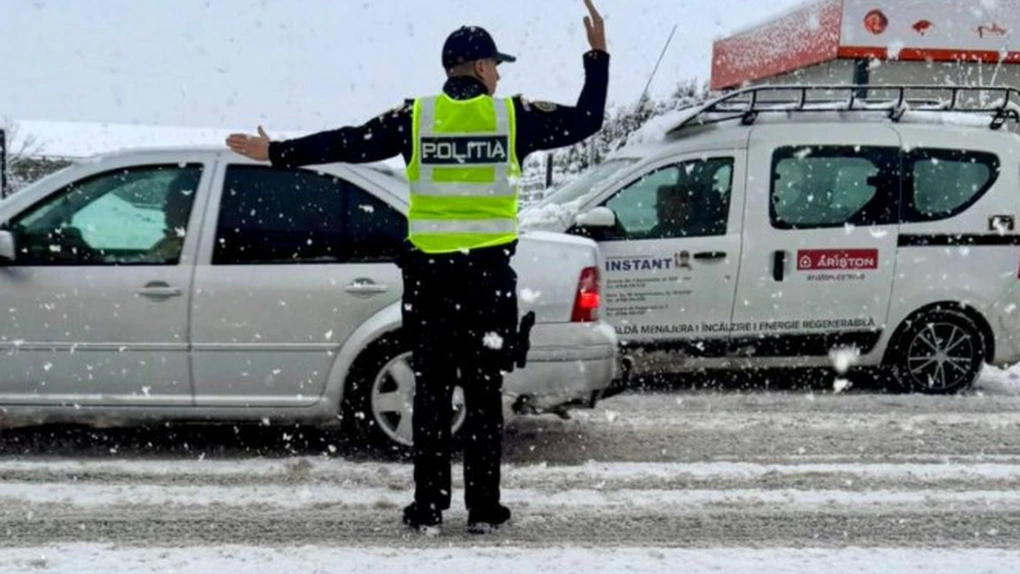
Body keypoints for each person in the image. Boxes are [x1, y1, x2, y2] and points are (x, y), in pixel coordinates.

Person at [225, 0, 608, 536]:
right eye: (496, 66)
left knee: (430, 394)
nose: (499, 76)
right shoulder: (513, 118)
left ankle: (428, 507)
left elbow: (347, 143)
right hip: (487, 282)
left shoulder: (415, 118)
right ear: (480, 67)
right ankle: (483, 510)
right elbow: (587, 120)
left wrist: (277, 152)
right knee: (483, 395)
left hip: (431, 283)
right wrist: (597, 56)